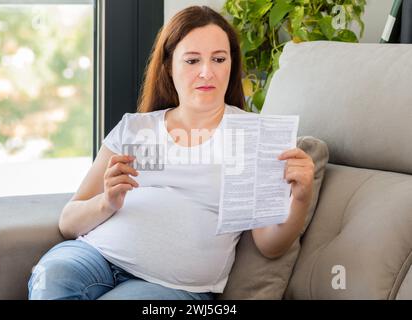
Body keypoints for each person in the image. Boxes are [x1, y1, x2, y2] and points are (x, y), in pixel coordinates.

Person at [28, 5, 314, 300]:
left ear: (231, 64)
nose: (207, 72)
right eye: (192, 60)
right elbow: (68, 222)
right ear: (168, 66)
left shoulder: (255, 135)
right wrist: (107, 202)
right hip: (94, 254)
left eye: (219, 59)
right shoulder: (136, 128)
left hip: (174, 288)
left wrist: (301, 198)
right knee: (54, 276)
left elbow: (270, 245)